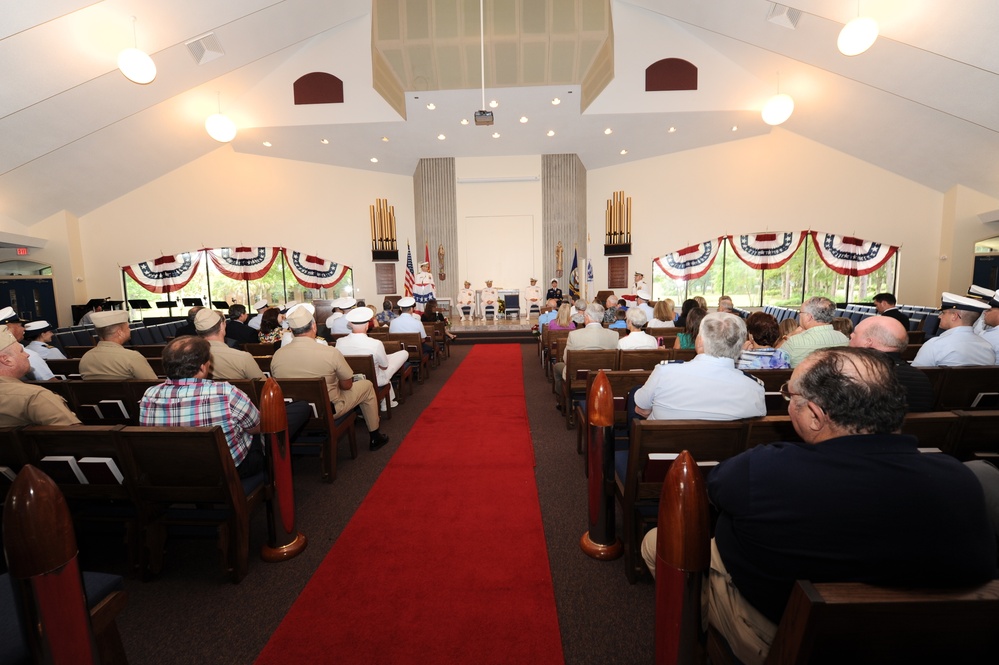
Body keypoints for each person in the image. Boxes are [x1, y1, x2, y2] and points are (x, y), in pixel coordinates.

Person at [689, 347, 996, 664]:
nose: (788, 403)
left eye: (790, 395)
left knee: (660, 543)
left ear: (814, 414)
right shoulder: (960, 479)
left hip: (792, 642)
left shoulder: (765, 470)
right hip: (930, 646)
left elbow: (715, 490)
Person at [139, 336, 264, 479]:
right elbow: (257, 426)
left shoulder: (149, 394)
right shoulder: (226, 392)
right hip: (227, 472)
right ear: (203, 366)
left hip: (174, 471)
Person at [270, 305, 389, 450]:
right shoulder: (330, 352)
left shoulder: (278, 355)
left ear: (292, 331)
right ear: (314, 327)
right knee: (368, 386)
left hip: (293, 411)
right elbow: (347, 385)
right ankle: (375, 436)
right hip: (328, 410)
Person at [635, 312, 766, 421]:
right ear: (740, 347)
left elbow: (641, 409)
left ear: (700, 342)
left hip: (662, 450)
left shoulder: (665, 372)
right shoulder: (755, 388)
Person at [848, 315, 934, 411]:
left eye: (855, 333)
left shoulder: (855, 375)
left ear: (868, 342)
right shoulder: (921, 377)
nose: (850, 336)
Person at [0, 327, 81, 427]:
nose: (27, 355)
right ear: (6, 360)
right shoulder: (35, 397)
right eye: (21, 351)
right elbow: (77, 437)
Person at [336, 307, 408, 411]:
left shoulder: (339, 342)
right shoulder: (376, 344)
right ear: (366, 326)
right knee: (403, 354)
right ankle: (386, 402)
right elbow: (384, 367)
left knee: (382, 364)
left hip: (350, 379)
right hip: (375, 380)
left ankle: (388, 401)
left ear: (350, 325)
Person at [912, 292, 996, 367]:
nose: (939, 316)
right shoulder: (988, 348)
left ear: (954, 316)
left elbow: (915, 377)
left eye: (943, 313)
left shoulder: (935, 345)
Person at [553, 303, 618, 397]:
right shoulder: (614, 335)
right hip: (604, 375)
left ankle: (562, 399)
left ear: (586, 317)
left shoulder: (574, 335)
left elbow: (566, 359)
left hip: (579, 376)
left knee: (557, 367)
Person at [79, 310, 157, 380]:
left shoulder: (85, 358)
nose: (130, 330)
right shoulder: (132, 357)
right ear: (120, 332)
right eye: (128, 327)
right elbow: (153, 385)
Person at [775, 297, 849, 367]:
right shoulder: (844, 338)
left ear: (809, 317)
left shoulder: (795, 342)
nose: (799, 315)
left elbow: (772, 360)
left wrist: (790, 335)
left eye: (800, 312)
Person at [194, 308, 264, 380]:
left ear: (197, 332)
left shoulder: (190, 358)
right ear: (222, 326)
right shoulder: (243, 358)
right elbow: (263, 385)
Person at [1, 307, 55, 380]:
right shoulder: (27, 356)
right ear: (8, 328)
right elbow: (52, 383)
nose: (24, 329)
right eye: (20, 325)